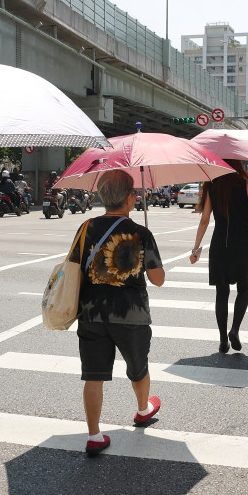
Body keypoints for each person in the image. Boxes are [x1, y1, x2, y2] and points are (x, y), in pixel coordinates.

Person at [68, 169, 165, 456]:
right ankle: (142, 409)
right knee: (138, 367)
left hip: (91, 312)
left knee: (93, 375)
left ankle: (94, 435)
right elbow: (158, 279)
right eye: (134, 193)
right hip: (131, 315)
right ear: (129, 199)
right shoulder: (141, 233)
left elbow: (73, 266)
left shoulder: (86, 227)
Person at [190, 159, 248, 354]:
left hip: (219, 245)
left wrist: (195, 248)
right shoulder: (246, 183)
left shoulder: (212, 185)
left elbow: (204, 220)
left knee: (222, 292)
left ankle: (222, 340)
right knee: (244, 290)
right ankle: (234, 330)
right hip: (242, 243)